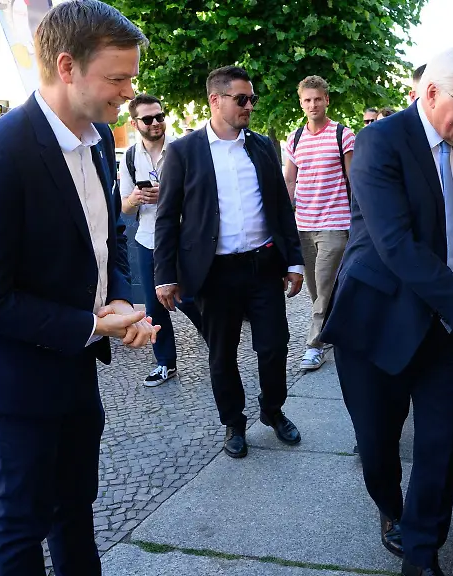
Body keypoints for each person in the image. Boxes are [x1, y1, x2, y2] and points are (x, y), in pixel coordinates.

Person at [0, 2, 156, 575]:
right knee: (21, 523)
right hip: (10, 384)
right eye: (117, 78)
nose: (128, 91)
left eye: (130, 77)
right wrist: (92, 325)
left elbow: (106, 238)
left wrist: (115, 296)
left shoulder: (95, 143)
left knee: (76, 512)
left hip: (73, 371)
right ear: (67, 67)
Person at [320, 46, 453, 576]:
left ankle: (422, 555)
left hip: (447, 329)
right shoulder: (380, 142)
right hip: (380, 321)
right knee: (377, 445)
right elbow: (395, 245)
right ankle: (390, 509)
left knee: (438, 445)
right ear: (430, 93)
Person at [155, 65, 304, 459]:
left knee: (275, 345)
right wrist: (165, 274)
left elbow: (280, 208)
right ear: (215, 100)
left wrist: (295, 261)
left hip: (263, 265)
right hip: (214, 273)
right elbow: (167, 217)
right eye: (242, 99)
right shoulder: (184, 151)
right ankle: (233, 423)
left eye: (252, 98)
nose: (250, 106)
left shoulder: (260, 146)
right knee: (222, 353)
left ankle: (272, 410)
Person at [120, 93, 203, 386]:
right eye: (148, 118)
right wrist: (136, 197)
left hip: (183, 237)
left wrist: (168, 195)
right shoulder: (130, 157)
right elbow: (125, 207)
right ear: (134, 123)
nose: (156, 122)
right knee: (155, 305)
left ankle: (213, 334)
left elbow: (201, 197)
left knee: (187, 297)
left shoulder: (184, 148)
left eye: (160, 116)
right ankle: (165, 362)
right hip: (147, 238)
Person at [284, 75, 355, 371]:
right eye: (307, 100)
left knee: (324, 286)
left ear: (327, 100)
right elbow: (289, 179)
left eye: (317, 99)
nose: (313, 104)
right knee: (315, 289)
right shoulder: (294, 137)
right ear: (301, 103)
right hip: (303, 224)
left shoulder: (343, 134)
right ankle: (338, 329)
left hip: (335, 222)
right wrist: (283, 219)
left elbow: (354, 179)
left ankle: (314, 345)